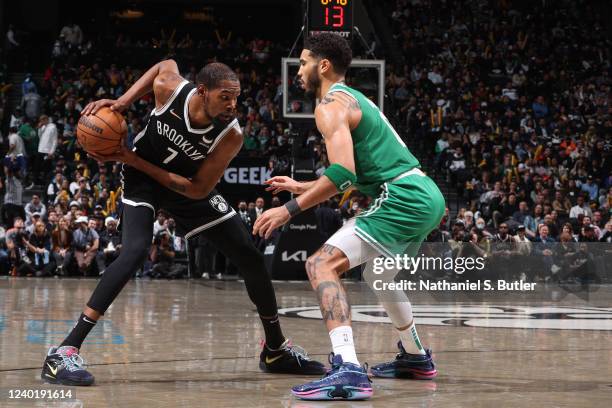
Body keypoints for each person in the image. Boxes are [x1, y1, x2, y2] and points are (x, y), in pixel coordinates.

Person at [41, 59, 324, 386]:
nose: (233, 104)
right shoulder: (170, 90)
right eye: (225, 97)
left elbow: (198, 188)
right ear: (202, 91)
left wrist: (130, 156)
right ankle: (64, 351)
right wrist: (122, 103)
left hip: (187, 186)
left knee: (249, 254)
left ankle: (275, 349)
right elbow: (164, 65)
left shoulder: (231, 135)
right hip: (140, 180)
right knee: (135, 251)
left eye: (237, 97)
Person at [254, 34, 445, 400]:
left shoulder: (329, 105)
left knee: (320, 265)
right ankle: (416, 357)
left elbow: (342, 173)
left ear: (323, 66)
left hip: (403, 196)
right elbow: (354, 174)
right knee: (379, 274)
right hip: (424, 193)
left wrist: (287, 210)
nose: (298, 70)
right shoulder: (353, 98)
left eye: (304, 62)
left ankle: (348, 369)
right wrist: (303, 186)